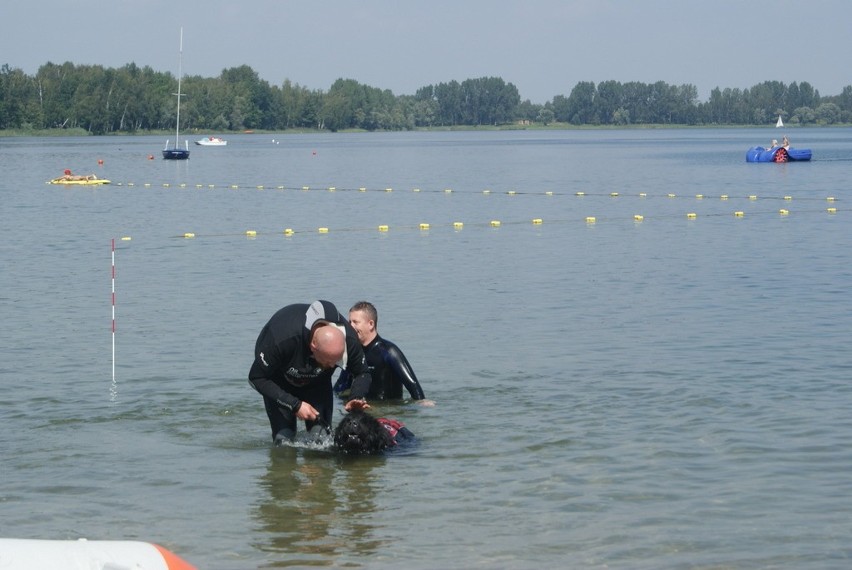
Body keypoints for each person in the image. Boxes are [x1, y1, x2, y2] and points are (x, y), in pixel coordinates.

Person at [249, 300, 372, 444]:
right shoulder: (282, 337)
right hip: (279, 381)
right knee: (284, 441)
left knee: (321, 441)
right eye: (328, 361)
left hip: (317, 385)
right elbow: (256, 377)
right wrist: (294, 405)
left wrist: (355, 396)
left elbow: (363, 373)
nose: (333, 365)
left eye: (336, 361)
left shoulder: (349, 341)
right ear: (313, 346)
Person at [334, 301, 433, 405]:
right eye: (349, 322)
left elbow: (413, 386)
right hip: (366, 409)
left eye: (355, 322)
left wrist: (423, 403)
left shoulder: (389, 352)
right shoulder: (353, 353)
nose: (350, 326)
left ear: (371, 324)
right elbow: (340, 387)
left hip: (389, 411)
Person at [333, 410, 415, 455]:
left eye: (363, 422)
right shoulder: (339, 438)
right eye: (348, 422)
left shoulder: (392, 447)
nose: (352, 424)